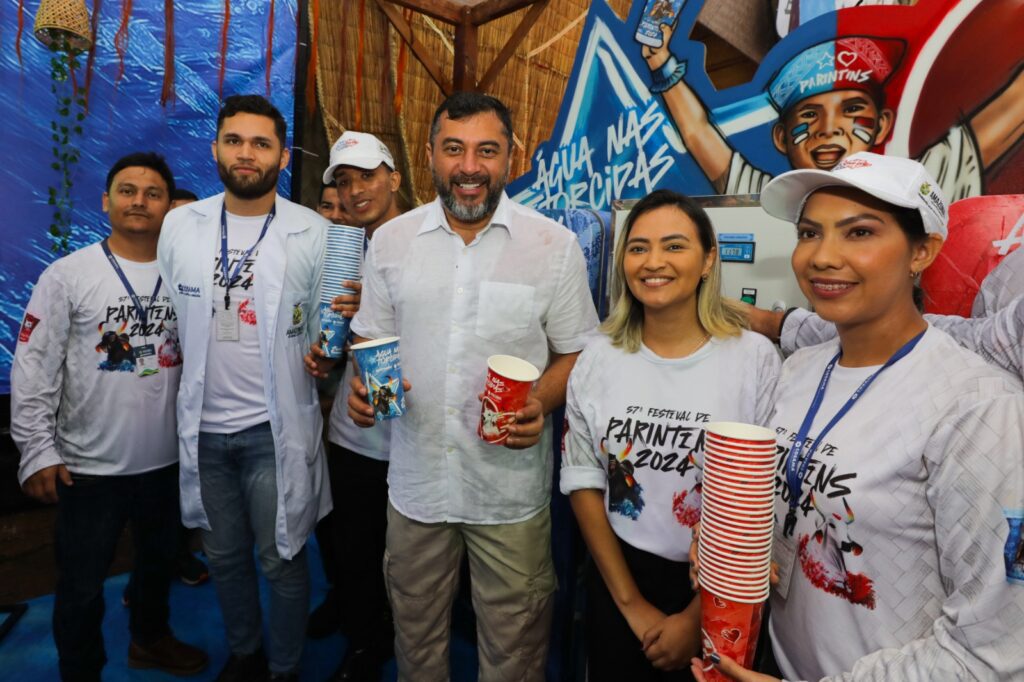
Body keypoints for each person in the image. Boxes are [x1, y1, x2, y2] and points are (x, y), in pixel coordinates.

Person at [691, 152, 1024, 681]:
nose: (822, 256)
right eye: (808, 233)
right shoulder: (800, 368)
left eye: (859, 232)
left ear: (922, 251)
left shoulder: (978, 407)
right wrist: (726, 542)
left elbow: (995, 649)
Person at [345, 91, 599, 681]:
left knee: (515, 651)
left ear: (510, 157)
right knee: (416, 641)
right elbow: (372, 337)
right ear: (430, 154)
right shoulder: (391, 242)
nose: (469, 167)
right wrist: (364, 388)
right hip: (416, 488)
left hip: (507, 495)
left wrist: (539, 400)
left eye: (487, 150)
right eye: (453, 148)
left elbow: (577, 351)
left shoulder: (551, 246)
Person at [561, 189, 779, 680]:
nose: (652, 262)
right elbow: (583, 479)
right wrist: (631, 603)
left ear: (708, 260)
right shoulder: (598, 355)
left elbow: (763, 503)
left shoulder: (754, 359)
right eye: (637, 248)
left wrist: (695, 616)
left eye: (674, 246)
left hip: (720, 592)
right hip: (619, 574)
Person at [11, 152, 207, 681]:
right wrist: (36, 450)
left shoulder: (188, 279)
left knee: (158, 565)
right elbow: (33, 366)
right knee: (81, 585)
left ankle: (150, 639)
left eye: (152, 192)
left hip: (166, 462)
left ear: (171, 206)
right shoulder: (68, 275)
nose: (139, 200)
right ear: (106, 201)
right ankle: (81, 670)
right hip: (89, 467)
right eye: (127, 190)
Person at [157, 94, 330, 682]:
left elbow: (329, 327)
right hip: (203, 431)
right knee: (225, 558)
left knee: (281, 558)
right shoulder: (182, 224)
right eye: (235, 140)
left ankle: (283, 667)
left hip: (271, 429)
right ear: (215, 148)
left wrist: (325, 352)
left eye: (261, 143)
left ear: (282, 157)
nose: (246, 153)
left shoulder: (316, 232)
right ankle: (246, 654)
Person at [643, 25, 1024, 200]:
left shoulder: (918, 188)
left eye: (852, 110)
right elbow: (697, 132)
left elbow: (1012, 109)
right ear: (780, 137)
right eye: (808, 115)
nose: (828, 129)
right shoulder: (765, 197)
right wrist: (661, 63)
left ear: (882, 126)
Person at [306, 131, 404, 682]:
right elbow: (335, 332)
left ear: (393, 175)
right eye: (344, 180)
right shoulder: (344, 245)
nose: (355, 189)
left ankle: (388, 634)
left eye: (366, 175)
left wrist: (381, 300)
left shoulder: (426, 239)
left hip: (410, 432)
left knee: (405, 554)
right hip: (353, 429)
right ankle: (362, 635)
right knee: (352, 542)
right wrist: (325, 355)